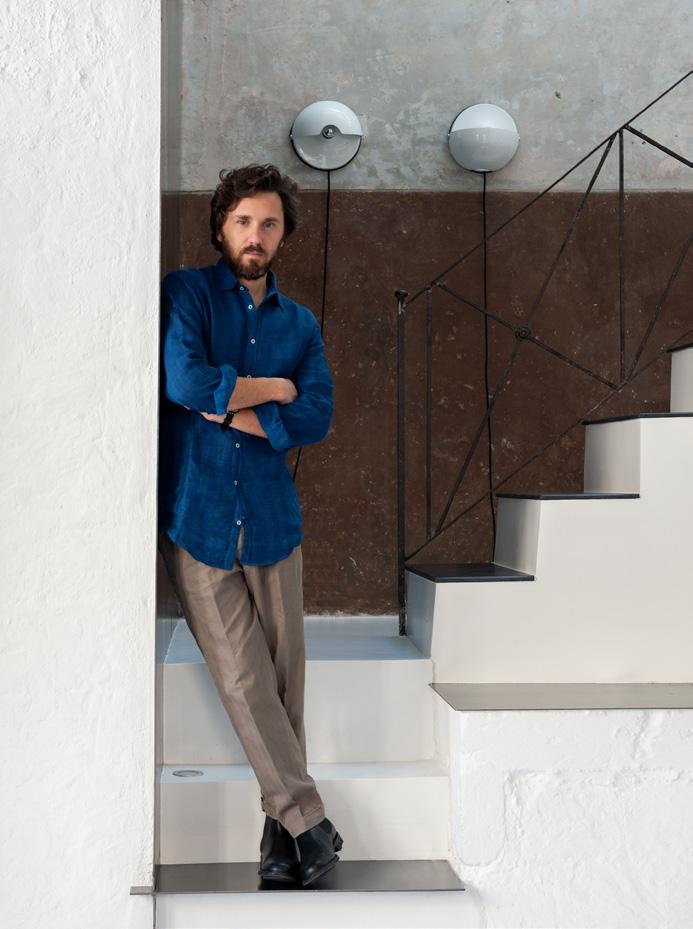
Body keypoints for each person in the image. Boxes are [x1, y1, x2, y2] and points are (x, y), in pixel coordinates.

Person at [158, 163, 341, 887]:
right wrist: (273, 390)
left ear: (283, 234)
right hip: (198, 517)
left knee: (284, 684)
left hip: (271, 520)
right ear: (220, 227)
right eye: (243, 222)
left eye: (268, 223)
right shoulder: (187, 294)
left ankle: (281, 835)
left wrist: (232, 407)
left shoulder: (300, 324)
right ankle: (311, 823)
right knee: (242, 675)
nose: (255, 235)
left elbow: (316, 416)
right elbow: (184, 381)